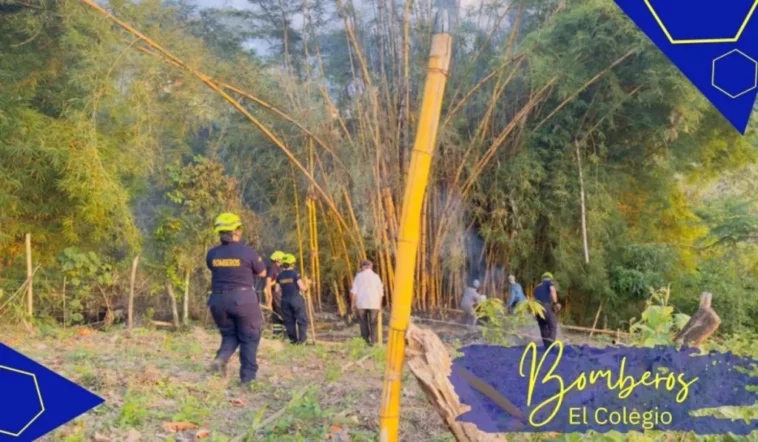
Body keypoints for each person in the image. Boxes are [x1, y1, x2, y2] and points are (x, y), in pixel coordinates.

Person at [205, 212, 267, 385]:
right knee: (249, 337)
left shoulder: (212, 254)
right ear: (237, 231)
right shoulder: (247, 252)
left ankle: (220, 359)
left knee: (230, 334)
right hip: (243, 299)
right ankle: (248, 380)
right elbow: (262, 272)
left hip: (217, 301)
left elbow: (214, 269)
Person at [276, 253, 309, 344]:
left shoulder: (279, 275)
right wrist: (307, 287)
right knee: (301, 319)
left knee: (289, 321)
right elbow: (302, 288)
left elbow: (277, 289)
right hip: (296, 299)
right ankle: (302, 340)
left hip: (284, 301)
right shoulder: (295, 274)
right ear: (292, 264)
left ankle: (293, 340)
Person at [350, 259, 384, 346]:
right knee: (373, 323)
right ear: (370, 266)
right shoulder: (376, 276)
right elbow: (380, 292)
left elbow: (354, 291)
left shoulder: (359, 276)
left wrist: (353, 303)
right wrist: (379, 305)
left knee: (363, 323)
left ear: (363, 267)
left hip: (361, 303)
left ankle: (365, 342)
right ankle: (374, 342)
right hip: (374, 303)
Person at [533, 272, 561, 349]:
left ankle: (546, 346)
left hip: (536, 307)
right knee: (552, 324)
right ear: (550, 278)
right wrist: (555, 303)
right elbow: (552, 290)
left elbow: (533, 299)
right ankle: (551, 345)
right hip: (544, 305)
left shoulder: (537, 287)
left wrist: (533, 313)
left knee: (542, 326)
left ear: (542, 278)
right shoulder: (549, 283)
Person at [266, 251, 285, 339]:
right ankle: (279, 335)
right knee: (279, 314)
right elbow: (268, 282)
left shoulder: (279, 268)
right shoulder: (271, 268)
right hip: (276, 295)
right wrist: (269, 297)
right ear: (277, 259)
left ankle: (279, 335)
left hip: (280, 294)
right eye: (281, 260)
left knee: (279, 314)